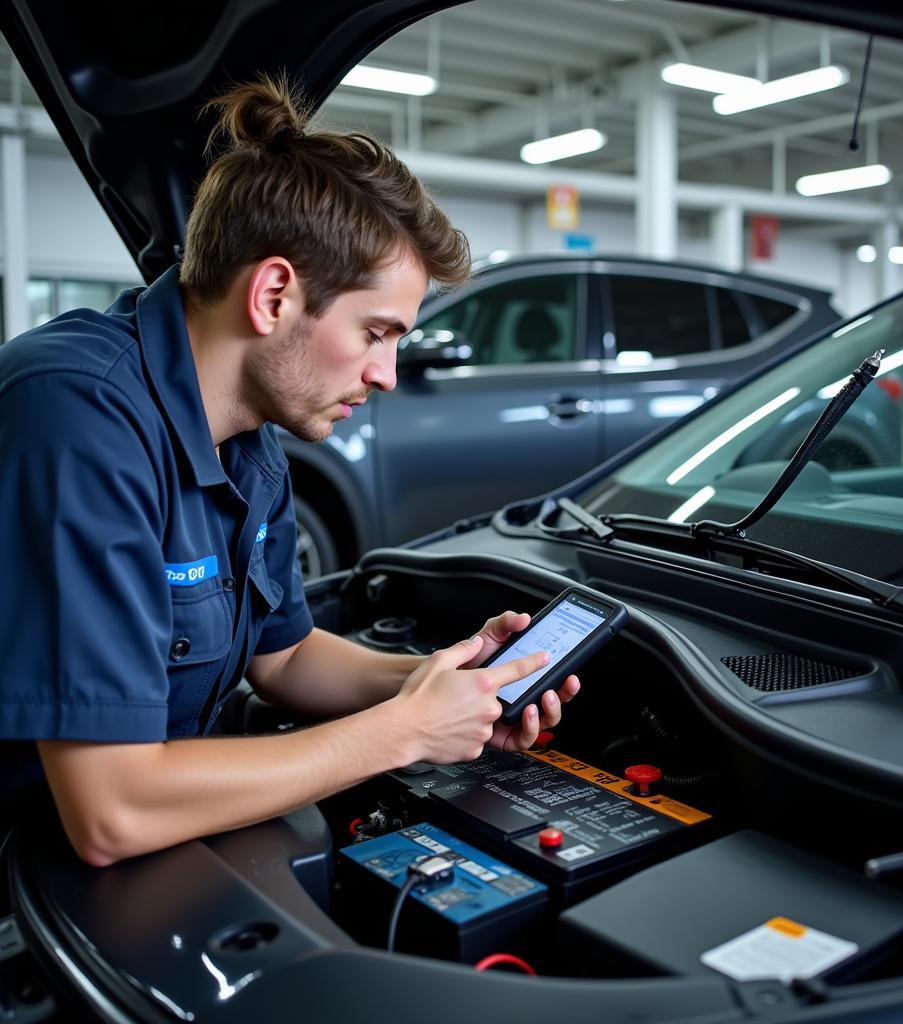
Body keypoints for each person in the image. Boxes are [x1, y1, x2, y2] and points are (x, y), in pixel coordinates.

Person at [0, 76, 579, 867]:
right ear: (273, 293)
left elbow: (286, 658)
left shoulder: (250, 436)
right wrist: (403, 733)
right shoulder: (76, 414)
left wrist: (449, 685)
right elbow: (112, 809)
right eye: (377, 332)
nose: (387, 374)